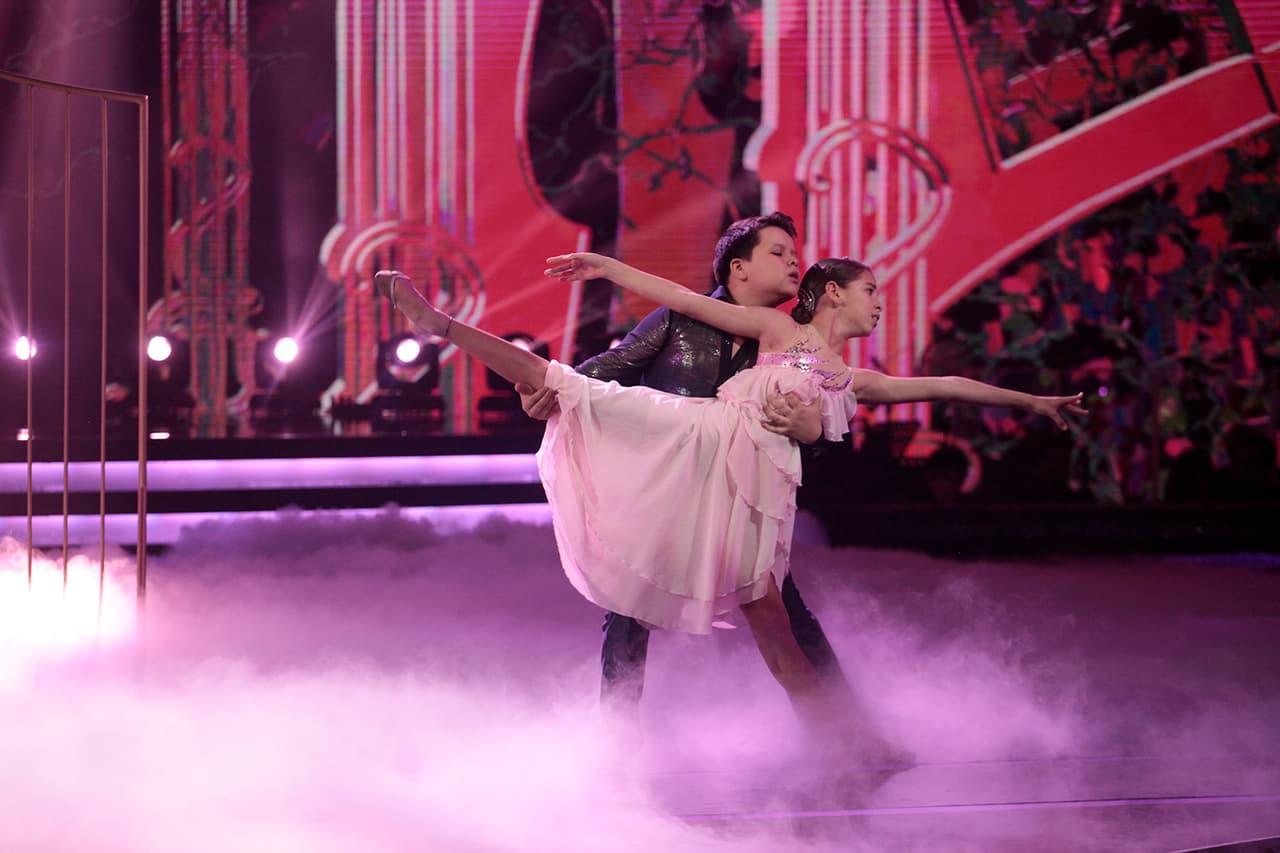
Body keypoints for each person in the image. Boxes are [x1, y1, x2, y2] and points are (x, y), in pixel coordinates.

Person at [373, 253, 1086, 756]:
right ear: (832, 293)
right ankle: (438, 325)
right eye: (871, 289)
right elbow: (685, 302)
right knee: (563, 384)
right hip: (697, 443)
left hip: (754, 499)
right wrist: (607, 267)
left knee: (776, 631)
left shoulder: (848, 376)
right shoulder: (781, 336)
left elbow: (947, 385)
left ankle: (842, 750)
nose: (880, 302)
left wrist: (1033, 401)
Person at [516, 214, 842, 715]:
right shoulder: (677, 318)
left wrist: (810, 428)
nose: (794, 260)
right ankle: (616, 753)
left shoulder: (791, 343)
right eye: (778, 252)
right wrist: (543, 394)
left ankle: (854, 733)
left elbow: (830, 417)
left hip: (740, 502)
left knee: (789, 612)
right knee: (626, 615)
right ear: (739, 267)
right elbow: (598, 375)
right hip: (667, 493)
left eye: (794, 253)